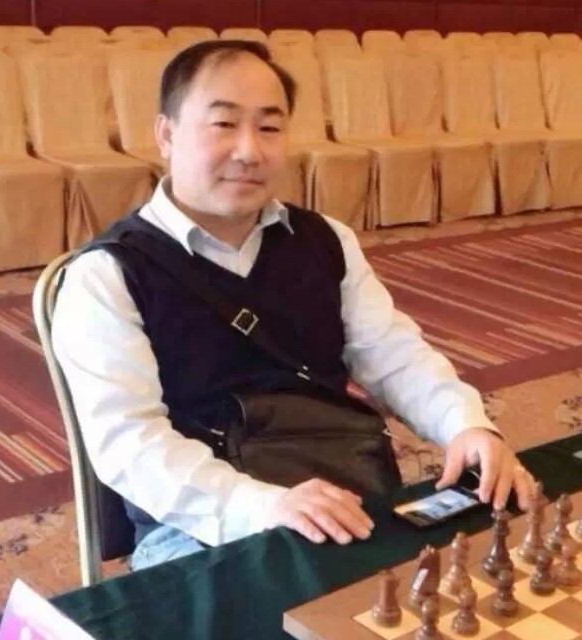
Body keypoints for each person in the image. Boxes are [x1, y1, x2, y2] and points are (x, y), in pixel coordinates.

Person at [52, 40, 535, 571]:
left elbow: (393, 354)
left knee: (487, 570)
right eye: (223, 124)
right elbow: (129, 442)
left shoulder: (325, 240)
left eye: (269, 127)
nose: (249, 151)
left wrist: (465, 424)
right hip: (198, 528)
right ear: (166, 134)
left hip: (341, 491)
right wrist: (264, 505)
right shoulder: (107, 274)